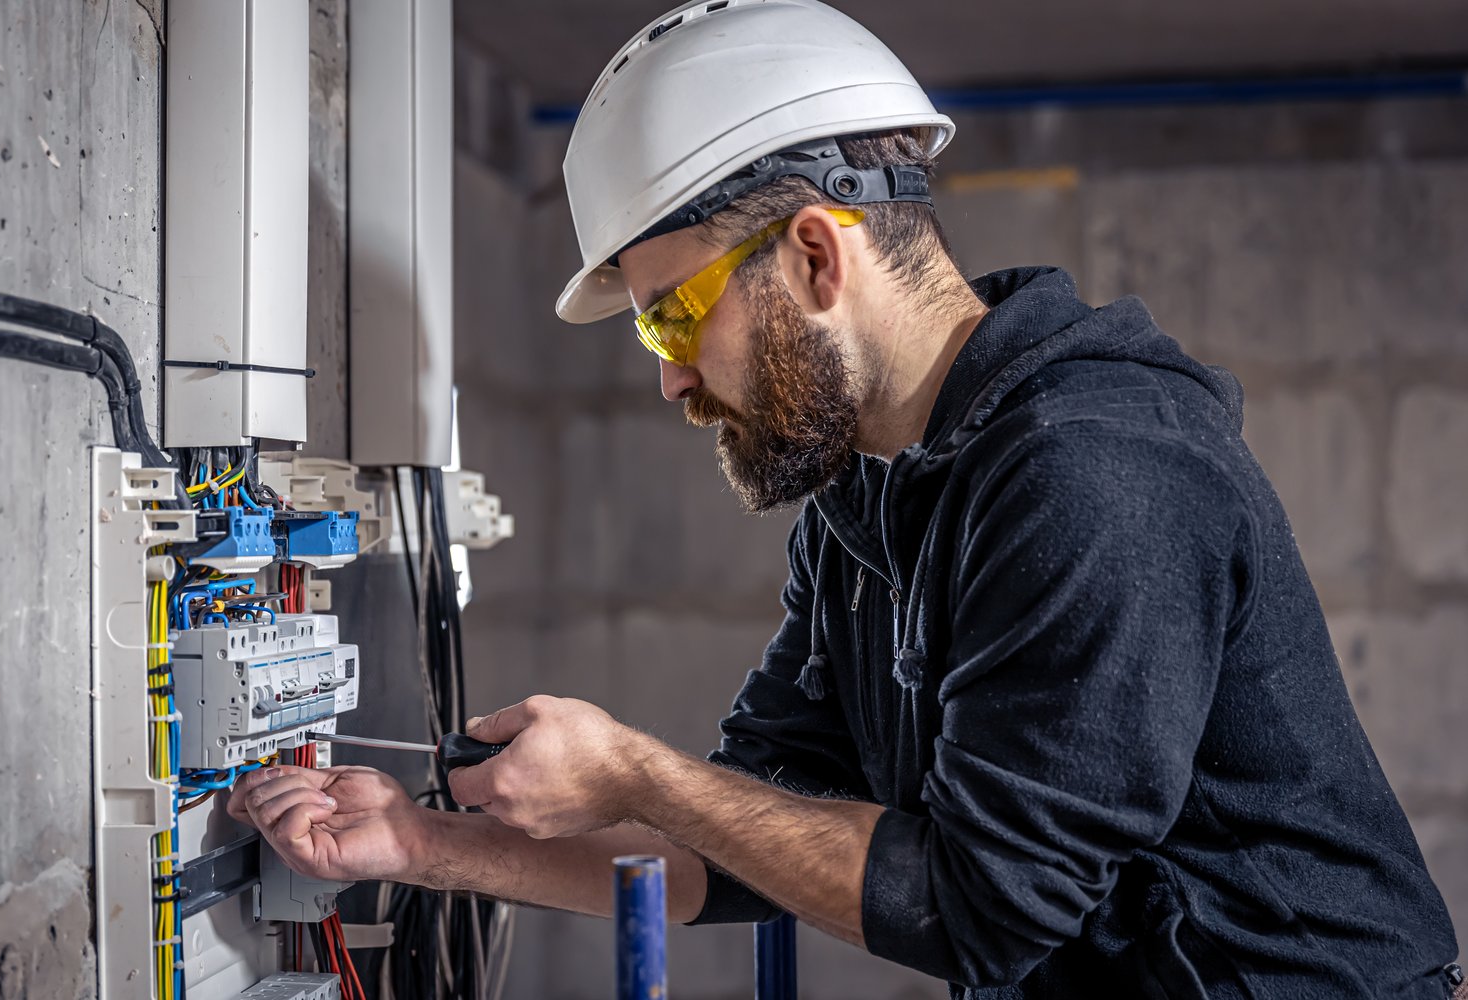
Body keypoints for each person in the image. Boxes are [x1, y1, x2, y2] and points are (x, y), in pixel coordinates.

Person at [230, 1, 1463, 995]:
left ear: (818, 255)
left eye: (673, 311)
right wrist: (426, 845)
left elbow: (983, 909)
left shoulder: (1097, 471)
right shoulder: (865, 507)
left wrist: (640, 771)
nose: (667, 375)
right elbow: (744, 847)